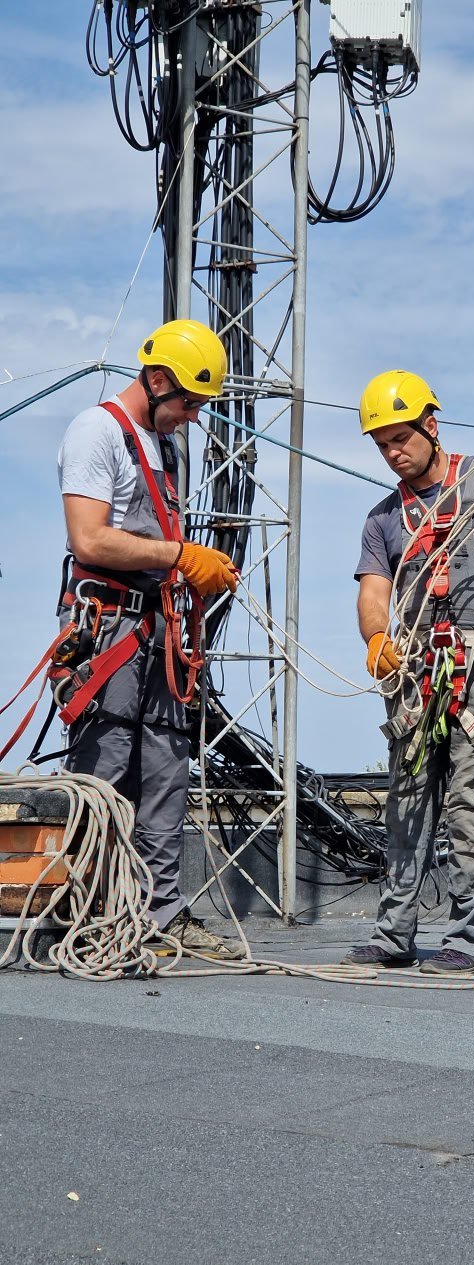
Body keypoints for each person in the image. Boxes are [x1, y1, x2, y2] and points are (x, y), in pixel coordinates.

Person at [342, 370, 474, 974]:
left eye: (400, 438)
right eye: (381, 444)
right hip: (416, 665)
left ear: (430, 426)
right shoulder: (384, 520)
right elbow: (373, 591)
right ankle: (393, 934)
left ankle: (466, 940)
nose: (392, 453)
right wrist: (378, 637)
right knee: (406, 798)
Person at [56, 319, 243, 959]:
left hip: (157, 627)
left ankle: (162, 915)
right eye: (188, 403)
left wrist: (189, 570)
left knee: (165, 768)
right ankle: (93, 916)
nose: (191, 417)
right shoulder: (97, 431)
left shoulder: (162, 445)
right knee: (105, 770)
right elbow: (90, 538)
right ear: (158, 380)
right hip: (107, 623)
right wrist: (181, 554)